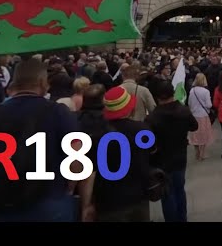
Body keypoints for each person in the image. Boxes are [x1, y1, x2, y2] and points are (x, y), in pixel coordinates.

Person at [0, 58, 87, 222]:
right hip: (51, 202)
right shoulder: (59, 113)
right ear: (42, 82)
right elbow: (77, 157)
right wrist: (68, 188)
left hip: (5, 205)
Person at [82, 85, 155, 222]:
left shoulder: (97, 135)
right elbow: (153, 154)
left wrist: (87, 204)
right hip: (138, 197)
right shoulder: (142, 130)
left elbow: (90, 173)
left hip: (108, 202)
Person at [146, 80, 198, 222]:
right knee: (179, 189)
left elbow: (147, 142)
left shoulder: (152, 118)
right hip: (180, 156)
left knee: (167, 193)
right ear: (173, 94)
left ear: (157, 97)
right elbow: (194, 126)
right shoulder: (183, 111)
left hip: (161, 159)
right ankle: (182, 218)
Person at [188, 73, 214, 161]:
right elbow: (209, 105)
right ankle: (202, 154)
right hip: (203, 115)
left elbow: (190, 103)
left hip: (194, 114)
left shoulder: (192, 91)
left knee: (195, 134)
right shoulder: (206, 91)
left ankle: (196, 151)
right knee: (203, 135)